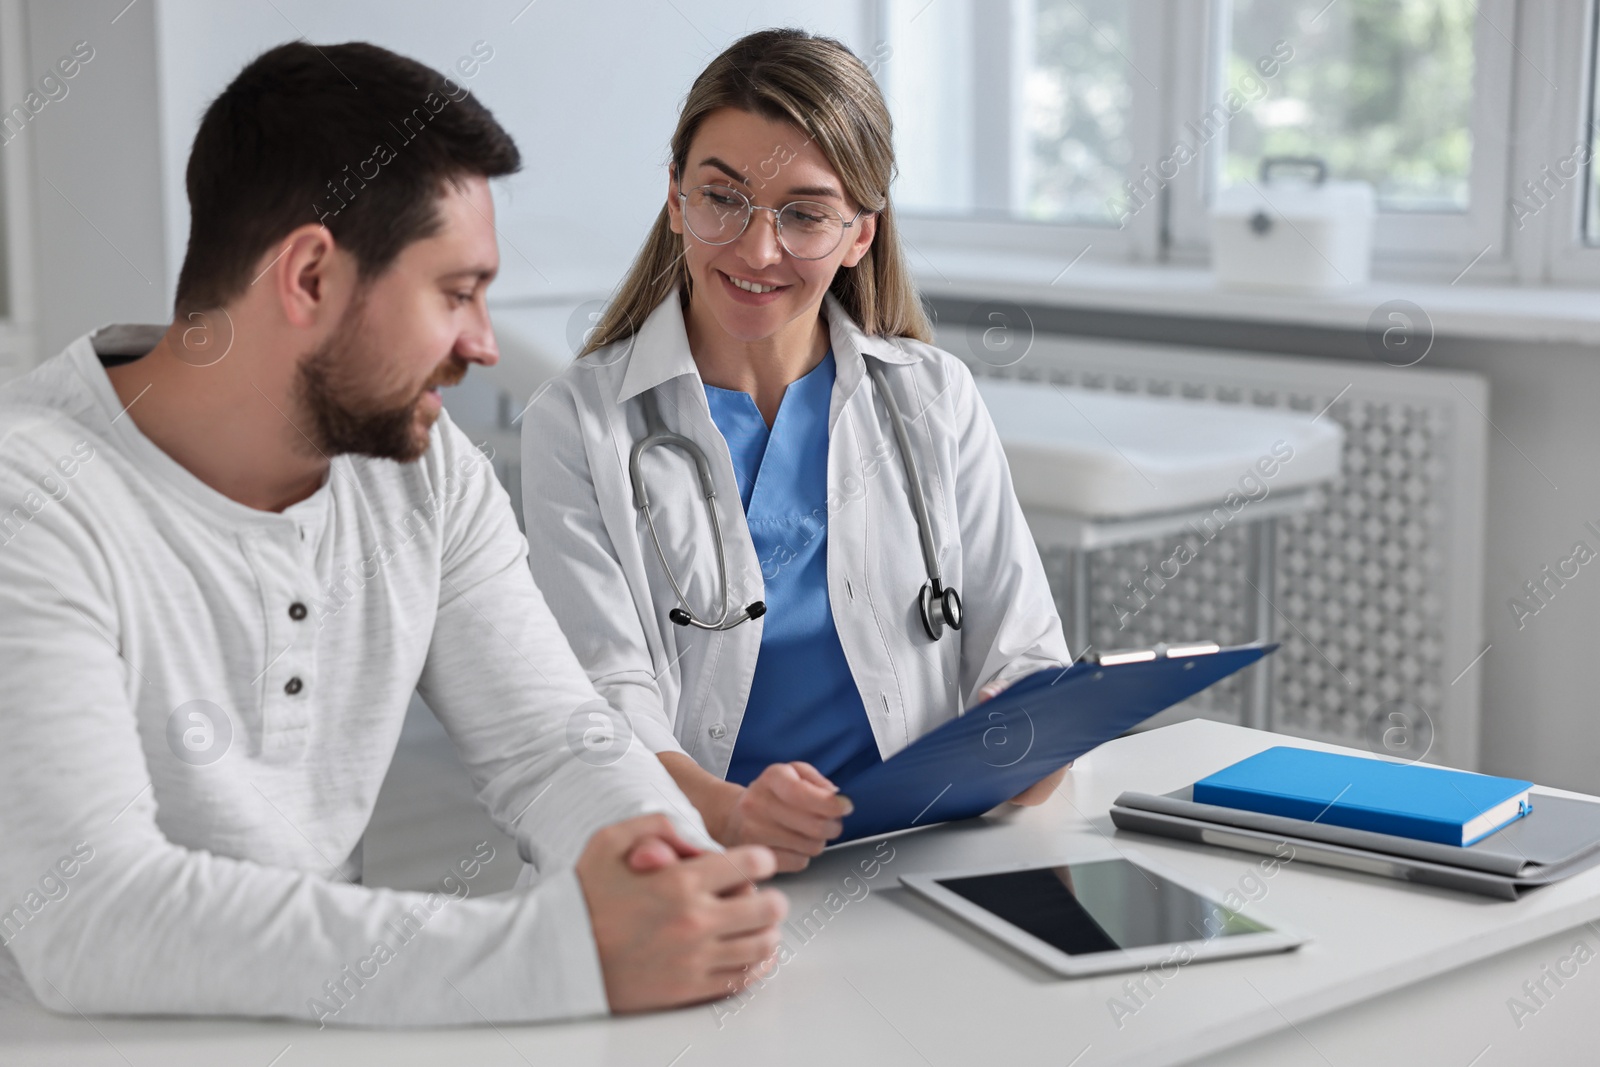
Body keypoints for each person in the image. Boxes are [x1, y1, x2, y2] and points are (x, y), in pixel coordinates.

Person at [0, 41, 786, 1027]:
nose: (483, 343)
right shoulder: (31, 495)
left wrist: (670, 872)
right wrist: (564, 951)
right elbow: (87, 911)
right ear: (312, 276)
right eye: (456, 292)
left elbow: (550, 740)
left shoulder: (424, 470)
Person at [520, 29, 1072, 873]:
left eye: (806, 214)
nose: (756, 249)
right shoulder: (580, 421)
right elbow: (601, 703)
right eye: (722, 198)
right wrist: (732, 814)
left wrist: (1029, 739)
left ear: (860, 235)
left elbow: (1027, 657)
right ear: (675, 199)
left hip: (903, 860)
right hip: (689, 864)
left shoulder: (933, 397)